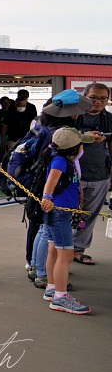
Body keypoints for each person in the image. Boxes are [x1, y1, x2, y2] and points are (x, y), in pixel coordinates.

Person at [38, 127, 94, 314]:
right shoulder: (60, 162)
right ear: (74, 149)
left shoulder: (58, 157)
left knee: (54, 250)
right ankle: (60, 298)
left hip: (58, 213)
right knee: (66, 255)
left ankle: (52, 288)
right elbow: (51, 182)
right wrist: (47, 197)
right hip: (59, 214)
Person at [73, 82, 112, 266]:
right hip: (71, 176)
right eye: (93, 97)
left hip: (100, 175)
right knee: (65, 215)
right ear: (85, 97)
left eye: (103, 98)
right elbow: (56, 139)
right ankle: (60, 249)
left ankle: (78, 249)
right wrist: (85, 136)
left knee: (87, 216)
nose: (98, 102)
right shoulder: (72, 117)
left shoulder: (108, 119)